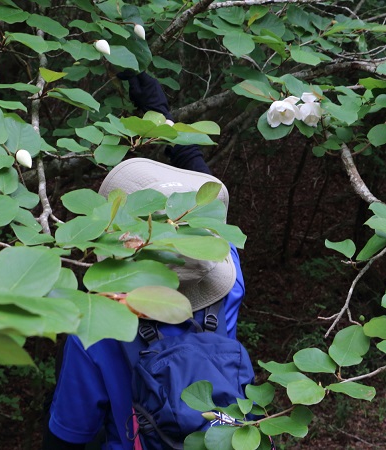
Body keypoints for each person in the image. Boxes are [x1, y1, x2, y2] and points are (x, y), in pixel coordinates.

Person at [42, 73, 246, 450]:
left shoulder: (97, 326)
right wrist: (160, 118)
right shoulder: (228, 281)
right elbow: (203, 195)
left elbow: (68, 435)